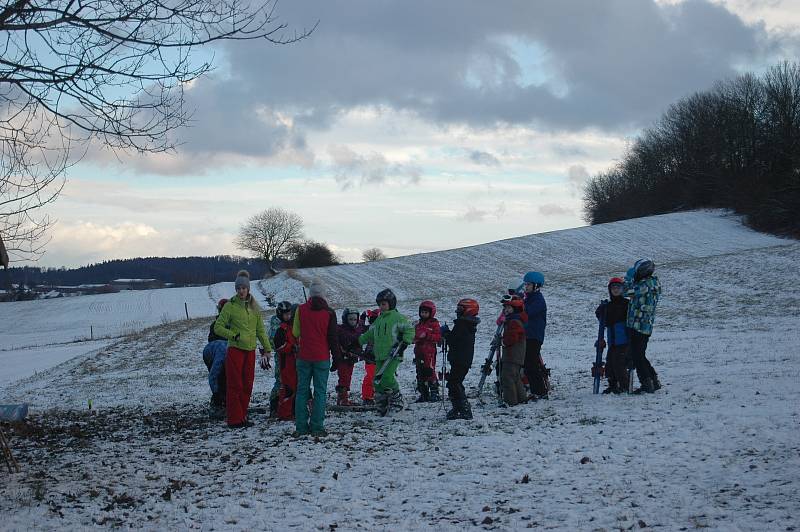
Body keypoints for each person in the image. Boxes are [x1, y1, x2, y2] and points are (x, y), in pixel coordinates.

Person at [213, 270, 272, 429]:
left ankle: (242, 416)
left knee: (247, 384)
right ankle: (234, 419)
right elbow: (218, 327)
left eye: (243, 288)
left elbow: (260, 330)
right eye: (238, 288)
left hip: (250, 351)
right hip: (235, 351)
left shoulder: (254, 307)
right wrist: (233, 335)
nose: (240, 291)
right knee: (235, 385)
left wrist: (267, 348)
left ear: (248, 289)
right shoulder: (230, 306)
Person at [292, 281, 340, 437]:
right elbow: (333, 338)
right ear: (323, 294)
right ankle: (317, 427)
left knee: (301, 391)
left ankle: (301, 427)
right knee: (320, 392)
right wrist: (337, 357)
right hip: (322, 357)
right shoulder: (330, 313)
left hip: (304, 357)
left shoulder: (300, 309)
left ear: (310, 294)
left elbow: (295, 332)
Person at [358, 289, 415, 416]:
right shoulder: (378, 320)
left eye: (384, 304)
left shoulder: (397, 317)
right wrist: (358, 342)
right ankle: (382, 405)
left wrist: (405, 342)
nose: (381, 307)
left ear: (391, 303)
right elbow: (369, 334)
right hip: (379, 355)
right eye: (379, 305)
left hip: (394, 354)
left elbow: (409, 329)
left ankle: (398, 401)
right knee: (377, 382)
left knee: (387, 378)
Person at [625, 259, 662, 394]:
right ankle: (653, 379)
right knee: (640, 354)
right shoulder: (653, 283)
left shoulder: (645, 285)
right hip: (645, 326)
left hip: (638, 325)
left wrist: (628, 278)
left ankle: (647, 383)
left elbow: (626, 291)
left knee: (637, 356)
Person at [441, 298, 480, 420]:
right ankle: (458, 407)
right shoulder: (467, 324)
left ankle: (463, 408)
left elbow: (453, 340)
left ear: (468, 310)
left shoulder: (462, 325)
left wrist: (446, 333)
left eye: (460, 309)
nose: (457, 311)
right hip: (462, 359)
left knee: (454, 383)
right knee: (454, 382)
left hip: (460, 359)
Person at [595, 278, 630, 394]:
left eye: (618, 287)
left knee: (619, 363)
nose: (615, 290)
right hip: (612, 341)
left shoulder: (626, 304)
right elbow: (604, 321)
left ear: (622, 289)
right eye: (613, 288)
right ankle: (613, 384)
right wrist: (600, 312)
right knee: (610, 363)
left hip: (623, 340)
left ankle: (624, 386)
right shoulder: (608, 306)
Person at [522, 271, 549, 399]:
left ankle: (540, 391)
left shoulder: (538, 300)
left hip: (534, 336)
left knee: (531, 364)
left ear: (536, 286)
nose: (526, 287)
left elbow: (527, 313)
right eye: (525, 284)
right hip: (528, 335)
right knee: (528, 364)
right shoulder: (529, 299)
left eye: (528, 284)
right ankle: (536, 390)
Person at [499, 295, 527, 406]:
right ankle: (521, 398)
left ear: (515, 309)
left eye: (509, 308)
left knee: (507, 377)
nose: (506, 310)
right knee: (515, 377)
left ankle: (510, 401)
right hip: (516, 355)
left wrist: (503, 342)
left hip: (512, 355)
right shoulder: (513, 321)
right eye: (505, 308)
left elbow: (512, 338)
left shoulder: (514, 322)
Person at [203, 298, 228, 419]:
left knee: (226, 378)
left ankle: (226, 402)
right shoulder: (217, 326)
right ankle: (217, 402)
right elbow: (213, 374)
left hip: (221, 353)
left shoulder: (217, 324)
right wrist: (216, 393)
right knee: (219, 377)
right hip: (216, 355)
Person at [413, 300, 442, 403]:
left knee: (429, 371)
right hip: (419, 351)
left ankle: (434, 392)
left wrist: (427, 335)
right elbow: (414, 336)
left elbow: (438, 337)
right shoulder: (418, 324)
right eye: (422, 312)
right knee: (420, 372)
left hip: (429, 352)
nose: (423, 314)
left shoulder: (434, 323)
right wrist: (415, 337)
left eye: (426, 312)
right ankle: (423, 393)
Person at [273, 301, 298, 420]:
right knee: (288, 388)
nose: (288, 316)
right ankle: (284, 413)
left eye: (289, 314)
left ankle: (293, 410)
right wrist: (291, 347)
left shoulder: (292, 327)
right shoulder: (281, 330)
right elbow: (279, 346)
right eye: (285, 314)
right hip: (286, 364)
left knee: (296, 387)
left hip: (295, 362)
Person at [334, 308, 364, 406]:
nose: (353, 322)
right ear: (345, 319)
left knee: (348, 377)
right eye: (350, 319)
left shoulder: (357, 329)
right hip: (342, 358)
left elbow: (362, 329)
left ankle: (342, 397)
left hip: (352, 358)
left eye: (355, 319)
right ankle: (343, 398)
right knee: (344, 377)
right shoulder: (341, 329)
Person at [359, 309, 381, 405]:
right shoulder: (370, 329)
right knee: (371, 377)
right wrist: (362, 319)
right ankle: (368, 397)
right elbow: (360, 328)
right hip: (370, 357)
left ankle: (373, 396)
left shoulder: (385, 329)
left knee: (375, 377)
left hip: (381, 356)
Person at [267, 310, 283, 417]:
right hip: (281, 356)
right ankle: (274, 405)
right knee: (280, 380)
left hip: (287, 355)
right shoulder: (276, 324)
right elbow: (273, 341)